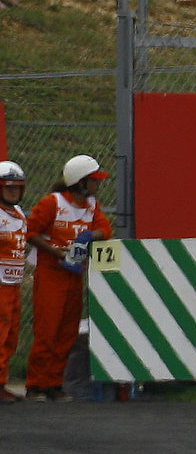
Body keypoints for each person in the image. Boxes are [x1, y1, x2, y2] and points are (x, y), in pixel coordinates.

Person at [25, 154, 112, 402]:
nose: (98, 184)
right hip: (51, 274)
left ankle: (53, 383)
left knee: (67, 332)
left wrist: (90, 235)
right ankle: (36, 385)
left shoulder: (92, 205)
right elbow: (31, 232)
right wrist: (56, 252)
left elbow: (105, 229)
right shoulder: (52, 203)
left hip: (74, 275)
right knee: (47, 331)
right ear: (80, 182)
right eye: (94, 180)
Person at [0, 161, 27, 402]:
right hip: (0, 285)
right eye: (8, 187)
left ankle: (2, 381)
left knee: (10, 335)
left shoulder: (19, 214)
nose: (13, 192)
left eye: (17, 188)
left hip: (13, 282)